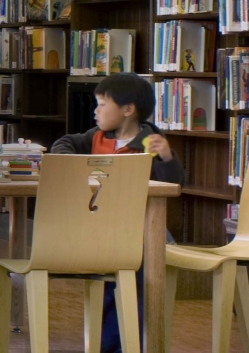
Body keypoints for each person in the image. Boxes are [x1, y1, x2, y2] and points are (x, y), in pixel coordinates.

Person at [50, 73, 185, 353]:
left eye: (102, 104)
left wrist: (167, 157)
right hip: (100, 228)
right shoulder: (96, 137)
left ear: (127, 110)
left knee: (133, 275)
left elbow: (174, 183)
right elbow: (65, 142)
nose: (95, 111)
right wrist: (78, 163)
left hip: (140, 228)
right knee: (114, 278)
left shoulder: (150, 141)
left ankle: (123, 345)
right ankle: (112, 345)